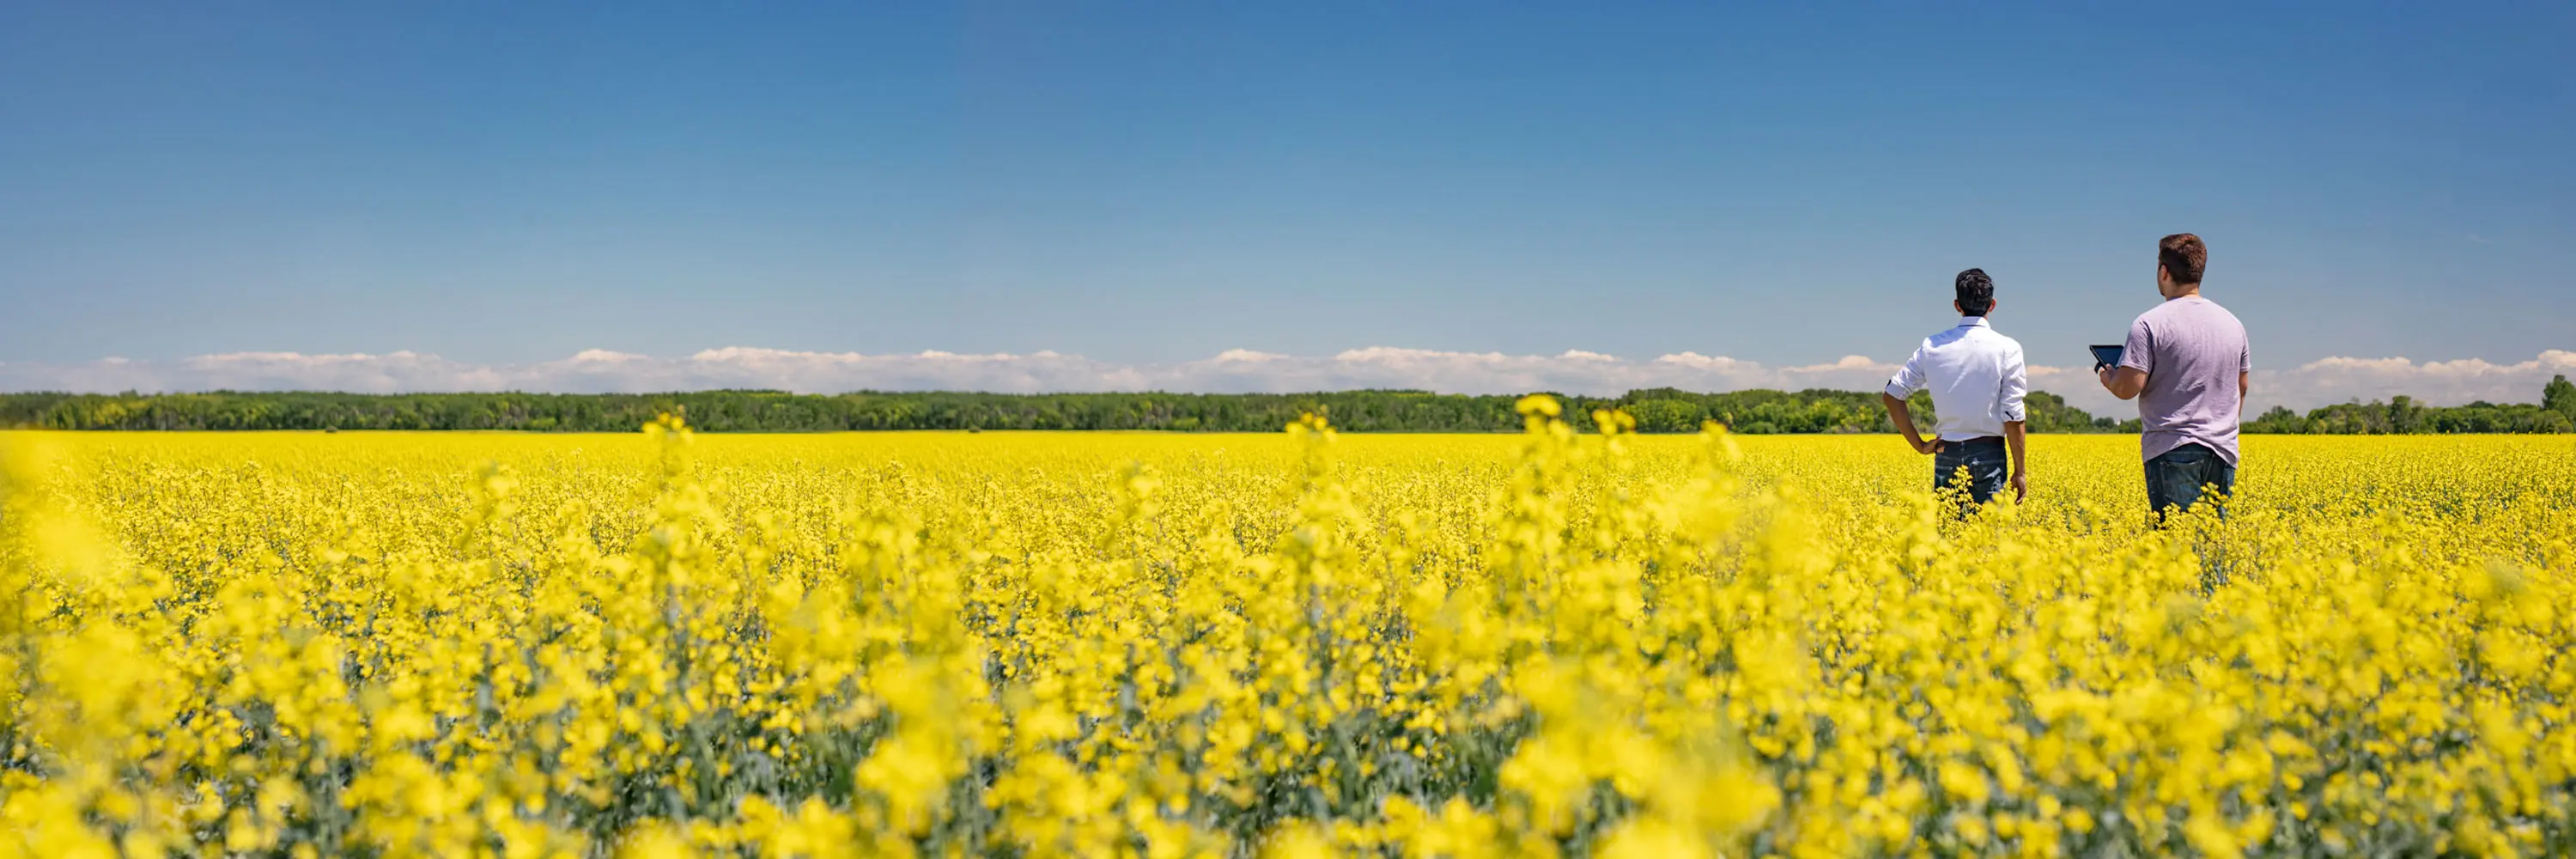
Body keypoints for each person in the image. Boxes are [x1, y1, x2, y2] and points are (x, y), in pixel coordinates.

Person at [2099, 233, 2249, 525]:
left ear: (2164, 271)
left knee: (2176, 552)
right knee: (2211, 545)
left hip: (2172, 447)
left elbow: (2129, 387)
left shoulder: (2150, 323)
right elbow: (2241, 386)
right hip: (2223, 450)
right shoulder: (2233, 323)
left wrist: (2109, 377)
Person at [1882, 268, 2029, 511]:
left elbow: (1892, 395)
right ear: (1992, 305)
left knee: (1948, 539)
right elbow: (2013, 414)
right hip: (1988, 452)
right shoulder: (2008, 348)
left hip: (1946, 452)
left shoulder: (1932, 346)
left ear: (1956, 305)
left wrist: (1920, 445)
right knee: (1988, 540)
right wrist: (2020, 471)